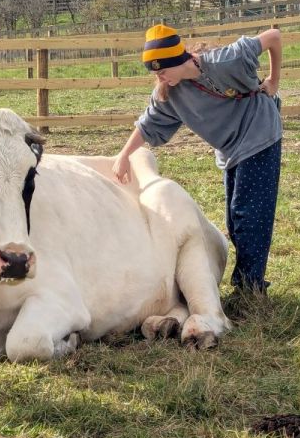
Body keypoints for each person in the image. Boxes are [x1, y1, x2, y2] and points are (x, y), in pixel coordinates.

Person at [112, 24, 282, 295]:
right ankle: (248, 281)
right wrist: (123, 156)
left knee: (250, 214)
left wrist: (273, 81)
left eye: (163, 70)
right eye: (156, 73)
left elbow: (274, 37)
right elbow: (147, 125)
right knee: (234, 218)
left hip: (260, 133)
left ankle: (250, 289)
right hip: (230, 148)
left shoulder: (228, 60)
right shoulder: (170, 94)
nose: (161, 78)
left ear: (179, 60)